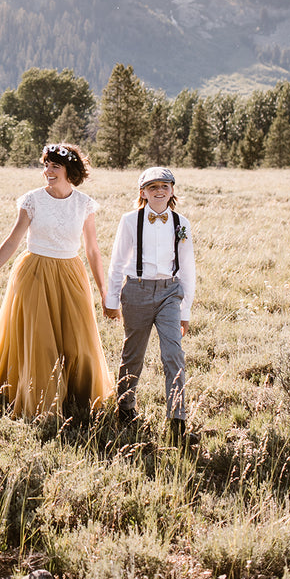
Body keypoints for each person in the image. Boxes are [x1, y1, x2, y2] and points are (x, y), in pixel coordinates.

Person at [0, 143, 113, 420]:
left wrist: (104, 291)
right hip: (35, 272)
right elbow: (13, 240)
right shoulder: (33, 200)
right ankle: (40, 404)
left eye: (54, 166)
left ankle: (79, 395)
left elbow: (93, 250)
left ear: (69, 170)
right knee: (39, 341)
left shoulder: (84, 203)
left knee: (78, 341)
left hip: (71, 273)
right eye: (45, 166)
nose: (47, 172)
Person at [104, 166, 196, 445]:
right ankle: (125, 408)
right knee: (133, 353)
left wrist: (186, 309)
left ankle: (177, 422)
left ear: (172, 191)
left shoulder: (181, 222)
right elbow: (117, 261)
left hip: (170, 292)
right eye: (153, 187)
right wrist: (111, 300)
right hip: (137, 291)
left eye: (165, 186)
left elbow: (188, 267)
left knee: (173, 355)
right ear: (142, 192)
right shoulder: (131, 220)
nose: (159, 192)